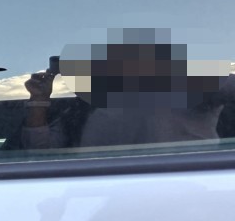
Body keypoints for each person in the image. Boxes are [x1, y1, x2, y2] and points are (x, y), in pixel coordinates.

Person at [20, 39, 235, 151]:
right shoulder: (80, 110)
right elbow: (39, 151)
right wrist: (39, 99)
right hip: (102, 196)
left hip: (187, 189)